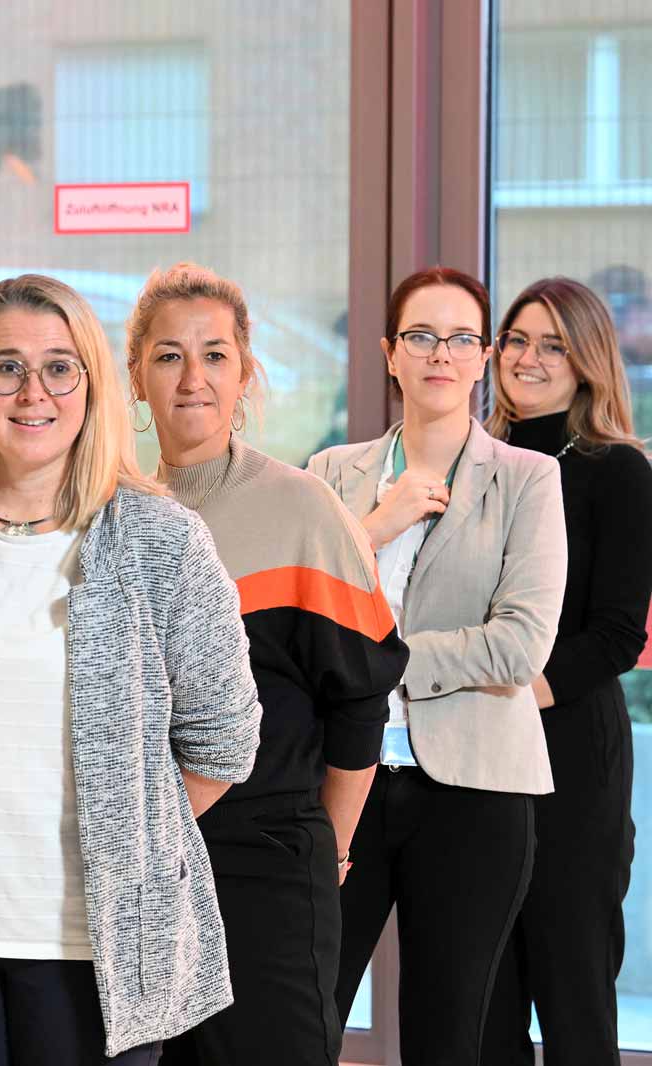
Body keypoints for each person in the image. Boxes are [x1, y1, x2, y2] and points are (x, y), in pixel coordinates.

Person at [0, 273, 262, 1065]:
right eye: (7, 367)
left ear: (92, 384)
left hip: (94, 950)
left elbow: (223, 742)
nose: (34, 391)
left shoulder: (162, 539)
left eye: (60, 366)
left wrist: (127, 842)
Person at [128, 263, 409, 1066]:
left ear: (246, 373)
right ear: (137, 376)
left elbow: (361, 699)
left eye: (215, 356)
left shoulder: (299, 508)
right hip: (144, 865)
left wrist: (330, 847)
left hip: (270, 860)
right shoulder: (114, 515)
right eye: (170, 356)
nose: (193, 378)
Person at [307, 267, 567, 1066]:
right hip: (341, 786)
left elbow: (520, 644)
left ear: (484, 356)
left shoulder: (528, 479)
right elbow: (304, 616)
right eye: (420, 336)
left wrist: (381, 661)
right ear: (391, 354)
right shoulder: (329, 476)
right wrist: (374, 527)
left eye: (461, 338)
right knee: (304, 1015)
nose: (440, 354)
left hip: (475, 794)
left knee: (447, 1035)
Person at [480, 277, 652, 1064]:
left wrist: (516, 698)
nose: (529, 358)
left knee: (573, 987)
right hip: (475, 754)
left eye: (553, 343)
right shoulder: (471, 461)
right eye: (517, 339)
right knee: (484, 998)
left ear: (587, 359)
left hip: (569, 755)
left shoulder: (616, 469)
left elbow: (616, 634)